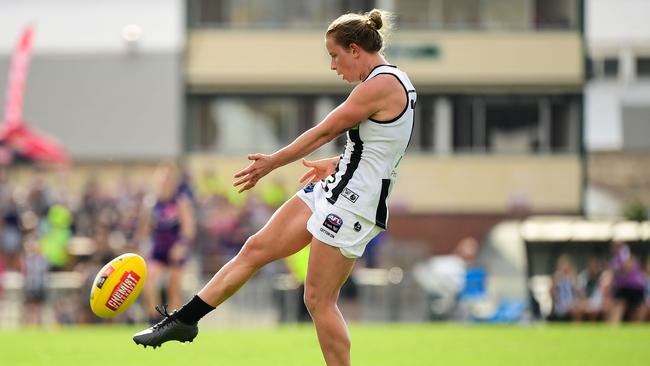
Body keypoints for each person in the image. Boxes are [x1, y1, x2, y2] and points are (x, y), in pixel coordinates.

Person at [133, 8, 416, 366]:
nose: (333, 66)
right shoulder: (392, 81)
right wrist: (338, 164)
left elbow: (326, 131)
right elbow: (383, 147)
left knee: (317, 299)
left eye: (335, 56)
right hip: (338, 187)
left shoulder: (380, 83)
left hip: (354, 205)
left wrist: (272, 162)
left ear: (355, 49)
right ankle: (184, 320)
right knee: (255, 248)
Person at [138, 163, 196, 323]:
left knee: (173, 286)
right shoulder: (150, 203)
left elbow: (189, 229)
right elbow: (144, 231)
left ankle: (174, 322)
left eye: (168, 179)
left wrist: (181, 246)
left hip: (176, 250)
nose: (165, 182)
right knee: (148, 283)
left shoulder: (181, 202)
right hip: (158, 250)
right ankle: (154, 320)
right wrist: (142, 247)